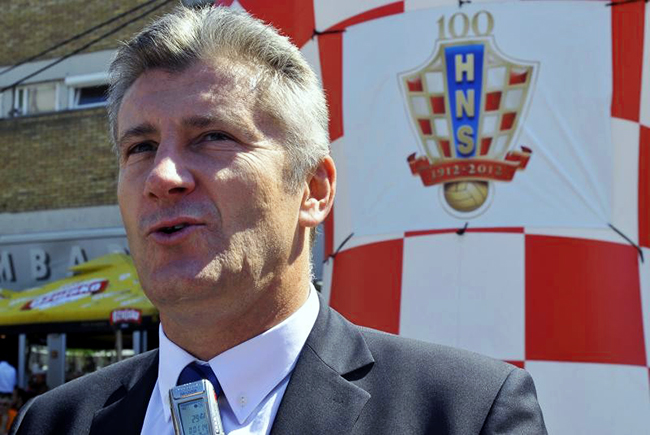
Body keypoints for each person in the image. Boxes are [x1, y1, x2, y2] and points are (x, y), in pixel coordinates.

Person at [10, 5, 546, 435]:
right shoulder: (54, 421)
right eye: (141, 147)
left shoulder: (465, 413)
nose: (163, 175)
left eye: (212, 137)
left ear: (313, 190)